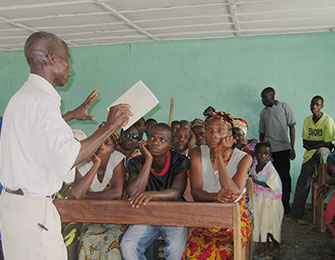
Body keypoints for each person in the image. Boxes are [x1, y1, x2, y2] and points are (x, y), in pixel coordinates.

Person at [0, 31, 131, 260]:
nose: (70, 68)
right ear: (51, 58)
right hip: (34, 212)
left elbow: (35, 140)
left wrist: (70, 115)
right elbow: (70, 157)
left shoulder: (22, 97)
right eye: (66, 59)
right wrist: (110, 126)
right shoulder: (42, 101)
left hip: (14, 208)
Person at [182, 107, 252, 260]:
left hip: (235, 216)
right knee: (192, 252)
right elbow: (196, 192)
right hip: (205, 212)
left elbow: (233, 193)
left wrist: (219, 156)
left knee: (224, 252)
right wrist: (215, 197)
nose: (213, 135)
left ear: (229, 135)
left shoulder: (244, 158)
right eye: (209, 130)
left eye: (220, 131)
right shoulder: (197, 153)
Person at [120, 123, 189, 260]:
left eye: (162, 140)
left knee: (176, 249)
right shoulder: (136, 162)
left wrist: (149, 195)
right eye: (152, 138)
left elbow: (176, 192)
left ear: (170, 145)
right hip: (146, 215)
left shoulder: (179, 161)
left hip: (174, 216)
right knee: (127, 245)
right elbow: (133, 192)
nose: (155, 142)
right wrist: (148, 160)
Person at [72, 132, 127, 260]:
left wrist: (85, 196)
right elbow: (76, 194)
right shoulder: (83, 161)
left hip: (116, 216)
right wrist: (96, 164)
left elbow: (117, 194)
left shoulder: (117, 158)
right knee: (87, 238)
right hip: (90, 216)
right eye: (98, 143)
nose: (101, 148)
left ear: (114, 148)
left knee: (112, 240)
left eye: (107, 144)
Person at [291, 96, 335, 220]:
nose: (314, 107)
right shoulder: (307, 121)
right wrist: (315, 143)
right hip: (310, 154)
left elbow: (329, 143)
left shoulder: (328, 121)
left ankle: (322, 176)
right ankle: (297, 213)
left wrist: (313, 144)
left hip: (323, 153)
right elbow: (305, 142)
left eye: (317, 105)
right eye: (312, 104)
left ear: (322, 106)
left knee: (322, 151)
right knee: (303, 182)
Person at [259, 87, 296, 215]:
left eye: (265, 97)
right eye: (262, 98)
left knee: (285, 177)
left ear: (272, 96)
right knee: (270, 178)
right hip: (270, 152)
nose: (263, 100)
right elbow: (261, 133)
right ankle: (272, 206)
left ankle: (285, 205)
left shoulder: (284, 107)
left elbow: (291, 127)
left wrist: (292, 147)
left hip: (284, 149)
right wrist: (262, 149)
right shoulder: (263, 113)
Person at [250, 142, 284, 254]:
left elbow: (270, 184)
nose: (263, 156)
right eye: (260, 153)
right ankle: (265, 247)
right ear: (255, 154)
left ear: (270, 156)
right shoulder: (254, 167)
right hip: (259, 200)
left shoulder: (270, 169)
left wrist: (255, 181)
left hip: (271, 201)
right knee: (261, 222)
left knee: (270, 224)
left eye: (266, 154)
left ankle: (275, 246)